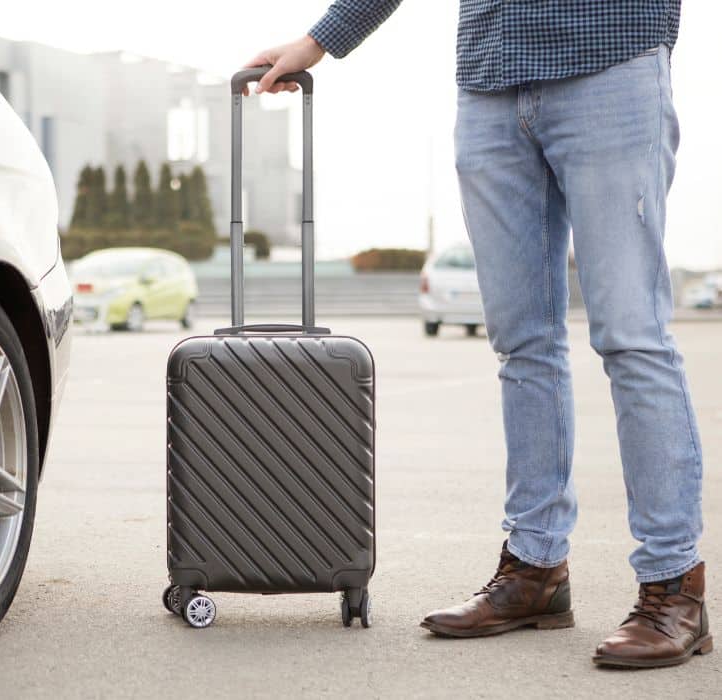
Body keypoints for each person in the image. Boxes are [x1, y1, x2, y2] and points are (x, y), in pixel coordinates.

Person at [245, 0, 710, 669]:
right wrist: (320, 39)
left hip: (611, 59)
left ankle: (674, 589)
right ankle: (535, 569)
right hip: (492, 78)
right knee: (523, 345)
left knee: (632, 336)